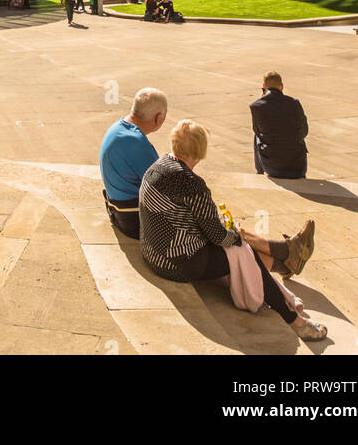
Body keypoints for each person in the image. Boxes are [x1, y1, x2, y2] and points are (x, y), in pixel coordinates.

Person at [139, 119, 325, 341]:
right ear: (200, 152)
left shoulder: (159, 166)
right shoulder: (191, 183)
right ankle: (295, 321)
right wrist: (235, 234)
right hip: (178, 263)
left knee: (241, 247)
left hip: (153, 252)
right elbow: (218, 236)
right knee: (244, 252)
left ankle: (285, 260)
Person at [100, 88, 168, 237]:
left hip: (117, 211)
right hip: (133, 221)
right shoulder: (137, 143)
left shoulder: (117, 128)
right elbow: (164, 187)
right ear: (159, 118)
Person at [251, 72, 308, 179]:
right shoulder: (294, 103)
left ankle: (259, 173)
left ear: (264, 87)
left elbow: (257, 131)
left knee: (256, 136)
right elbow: (304, 131)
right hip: (297, 167)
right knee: (298, 134)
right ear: (282, 86)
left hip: (272, 167)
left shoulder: (256, 106)